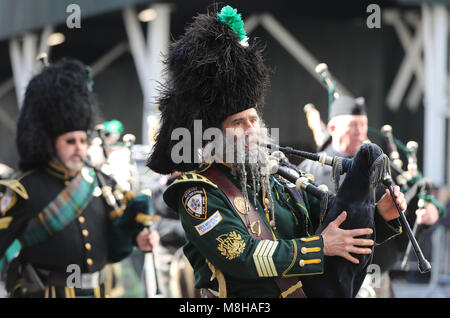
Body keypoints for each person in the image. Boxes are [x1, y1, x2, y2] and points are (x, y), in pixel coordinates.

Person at [146, 5, 407, 298]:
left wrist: (381, 216)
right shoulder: (198, 192)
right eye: (237, 123)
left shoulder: (278, 172)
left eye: (253, 120)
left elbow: (332, 225)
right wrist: (319, 247)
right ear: (212, 133)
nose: (249, 130)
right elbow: (240, 255)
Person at [0, 58, 159, 298]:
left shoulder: (100, 181)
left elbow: (114, 248)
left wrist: (138, 237)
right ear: (48, 143)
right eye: (70, 141)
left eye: (83, 141)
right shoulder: (23, 189)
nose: (79, 148)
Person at [299, 95, 445, 297]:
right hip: (328, 281)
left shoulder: (379, 166)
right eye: (353, 125)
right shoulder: (307, 171)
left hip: (377, 277)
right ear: (332, 129)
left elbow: (414, 203)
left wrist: (431, 213)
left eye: (363, 125)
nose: (360, 132)